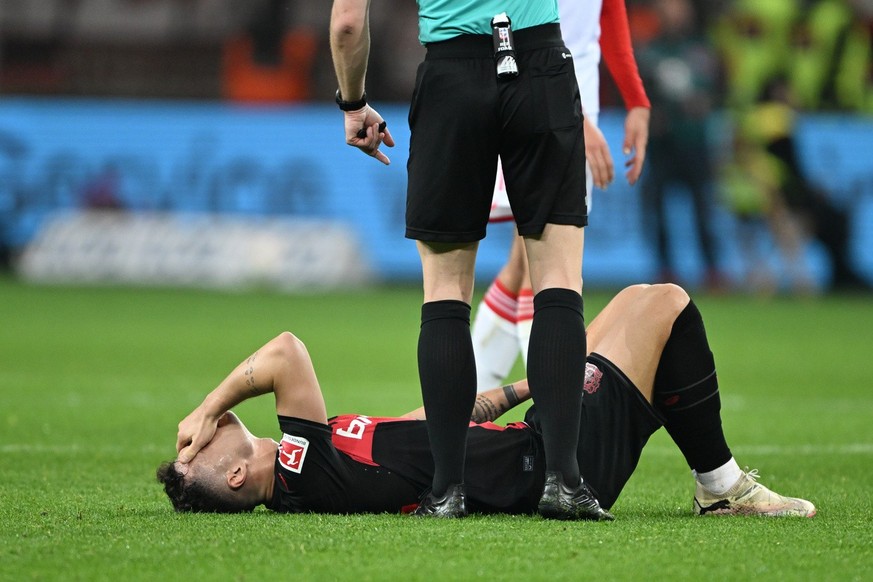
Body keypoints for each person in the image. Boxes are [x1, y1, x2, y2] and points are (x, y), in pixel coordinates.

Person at [159, 283, 816, 519]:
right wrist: (206, 403)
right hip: (557, 465)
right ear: (239, 474)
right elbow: (284, 351)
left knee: (627, 303)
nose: (200, 432)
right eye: (199, 449)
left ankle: (715, 482)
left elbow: (428, 428)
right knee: (666, 304)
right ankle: (719, 485)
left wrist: (523, 387)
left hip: (536, 443)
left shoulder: (326, 462)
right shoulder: (299, 469)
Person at [330, 1, 601, 518]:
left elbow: (346, 23)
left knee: (446, 293)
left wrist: (353, 102)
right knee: (560, 283)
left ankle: (445, 491)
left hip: (452, 76)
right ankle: (565, 483)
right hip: (540, 63)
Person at [472, 0, 651, 390]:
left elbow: (608, 11)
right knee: (550, 271)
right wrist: (574, 116)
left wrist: (636, 99)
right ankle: (556, 417)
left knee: (525, 263)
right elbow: (507, 21)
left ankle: (465, 410)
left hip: (570, 102)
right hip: (538, 101)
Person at [637, 0, 726, 289]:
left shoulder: (703, 48)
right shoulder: (650, 51)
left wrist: (707, 104)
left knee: (703, 208)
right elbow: (639, 93)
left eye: (679, 7)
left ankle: (712, 270)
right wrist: (654, 113)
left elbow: (720, 89)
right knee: (658, 208)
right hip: (663, 144)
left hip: (695, 142)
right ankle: (665, 270)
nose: (675, 13)